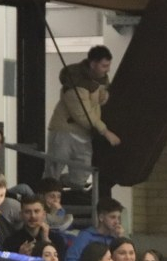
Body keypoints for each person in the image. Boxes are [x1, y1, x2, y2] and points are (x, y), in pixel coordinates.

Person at [45, 45, 122, 189]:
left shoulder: (100, 81)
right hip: (64, 132)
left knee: (80, 178)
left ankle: (62, 189)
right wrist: (105, 132)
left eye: (108, 65)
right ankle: (48, 194)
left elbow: (96, 103)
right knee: (52, 174)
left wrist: (104, 95)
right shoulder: (75, 82)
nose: (107, 70)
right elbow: (82, 114)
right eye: (104, 66)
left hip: (85, 134)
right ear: (93, 64)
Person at [63, 196, 124, 261]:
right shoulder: (86, 236)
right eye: (112, 217)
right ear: (101, 217)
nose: (117, 222)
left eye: (118, 218)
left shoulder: (115, 239)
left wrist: (120, 239)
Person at [5, 195, 67, 261]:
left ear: (44, 215)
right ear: (21, 215)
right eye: (27, 212)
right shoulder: (11, 241)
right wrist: (19, 256)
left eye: (36, 211)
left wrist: (46, 241)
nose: (33, 216)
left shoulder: (57, 240)